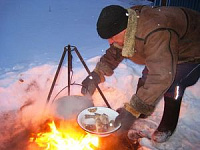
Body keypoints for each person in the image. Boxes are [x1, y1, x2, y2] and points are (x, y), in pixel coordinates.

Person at [81, 5, 200, 143]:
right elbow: (116, 50)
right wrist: (96, 74)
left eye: (112, 37)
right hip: (167, 44)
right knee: (147, 76)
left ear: (125, 30)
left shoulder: (156, 32)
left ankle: (168, 125)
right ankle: (141, 109)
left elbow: (161, 76)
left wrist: (131, 110)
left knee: (173, 83)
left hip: (192, 50)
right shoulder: (127, 22)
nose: (110, 41)